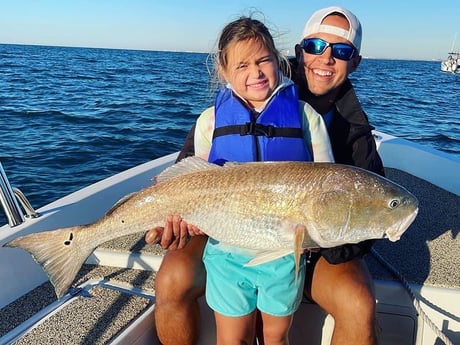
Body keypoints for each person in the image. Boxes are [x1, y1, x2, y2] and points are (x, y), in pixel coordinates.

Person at [147, 6, 383, 345]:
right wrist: (172, 221)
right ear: (299, 52)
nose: (326, 59)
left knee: (359, 302)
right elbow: (190, 173)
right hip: (225, 229)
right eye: (316, 46)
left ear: (355, 61)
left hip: (304, 246)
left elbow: (362, 219)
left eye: (341, 51)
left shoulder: (352, 131)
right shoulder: (225, 110)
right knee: (171, 279)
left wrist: (314, 240)